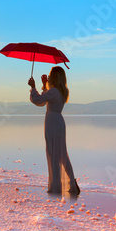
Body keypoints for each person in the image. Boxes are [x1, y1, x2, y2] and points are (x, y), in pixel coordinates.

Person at [28, 66, 80, 195]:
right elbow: (47, 98)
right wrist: (44, 85)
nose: (49, 77)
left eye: (51, 75)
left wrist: (33, 87)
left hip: (52, 123)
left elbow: (38, 100)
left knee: (53, 154)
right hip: (58, 122)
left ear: (55, 77)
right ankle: (72, 185)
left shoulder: (54, 91)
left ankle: (56, 187)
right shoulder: (60, 91)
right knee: (61, 154)